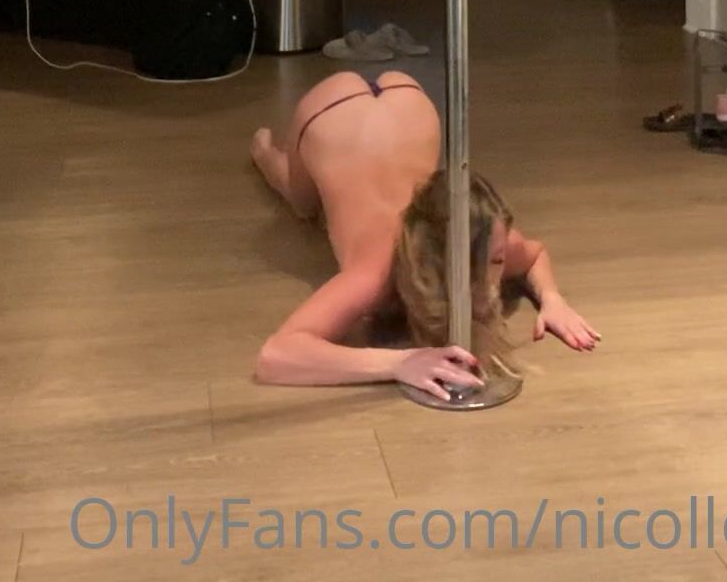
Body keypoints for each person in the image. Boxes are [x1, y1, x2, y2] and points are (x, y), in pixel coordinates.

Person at [251, 69, 599, 398]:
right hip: (328, 116)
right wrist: (399, 363)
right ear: (438, 259)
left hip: (410, 105)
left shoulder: (482, 237)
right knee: (302, 205)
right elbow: (276, 356)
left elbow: (534, 254)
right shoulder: (377, 270)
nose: (498, 269)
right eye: (495, 260)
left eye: (498, 259)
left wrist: (552, 299)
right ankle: (265, 152)